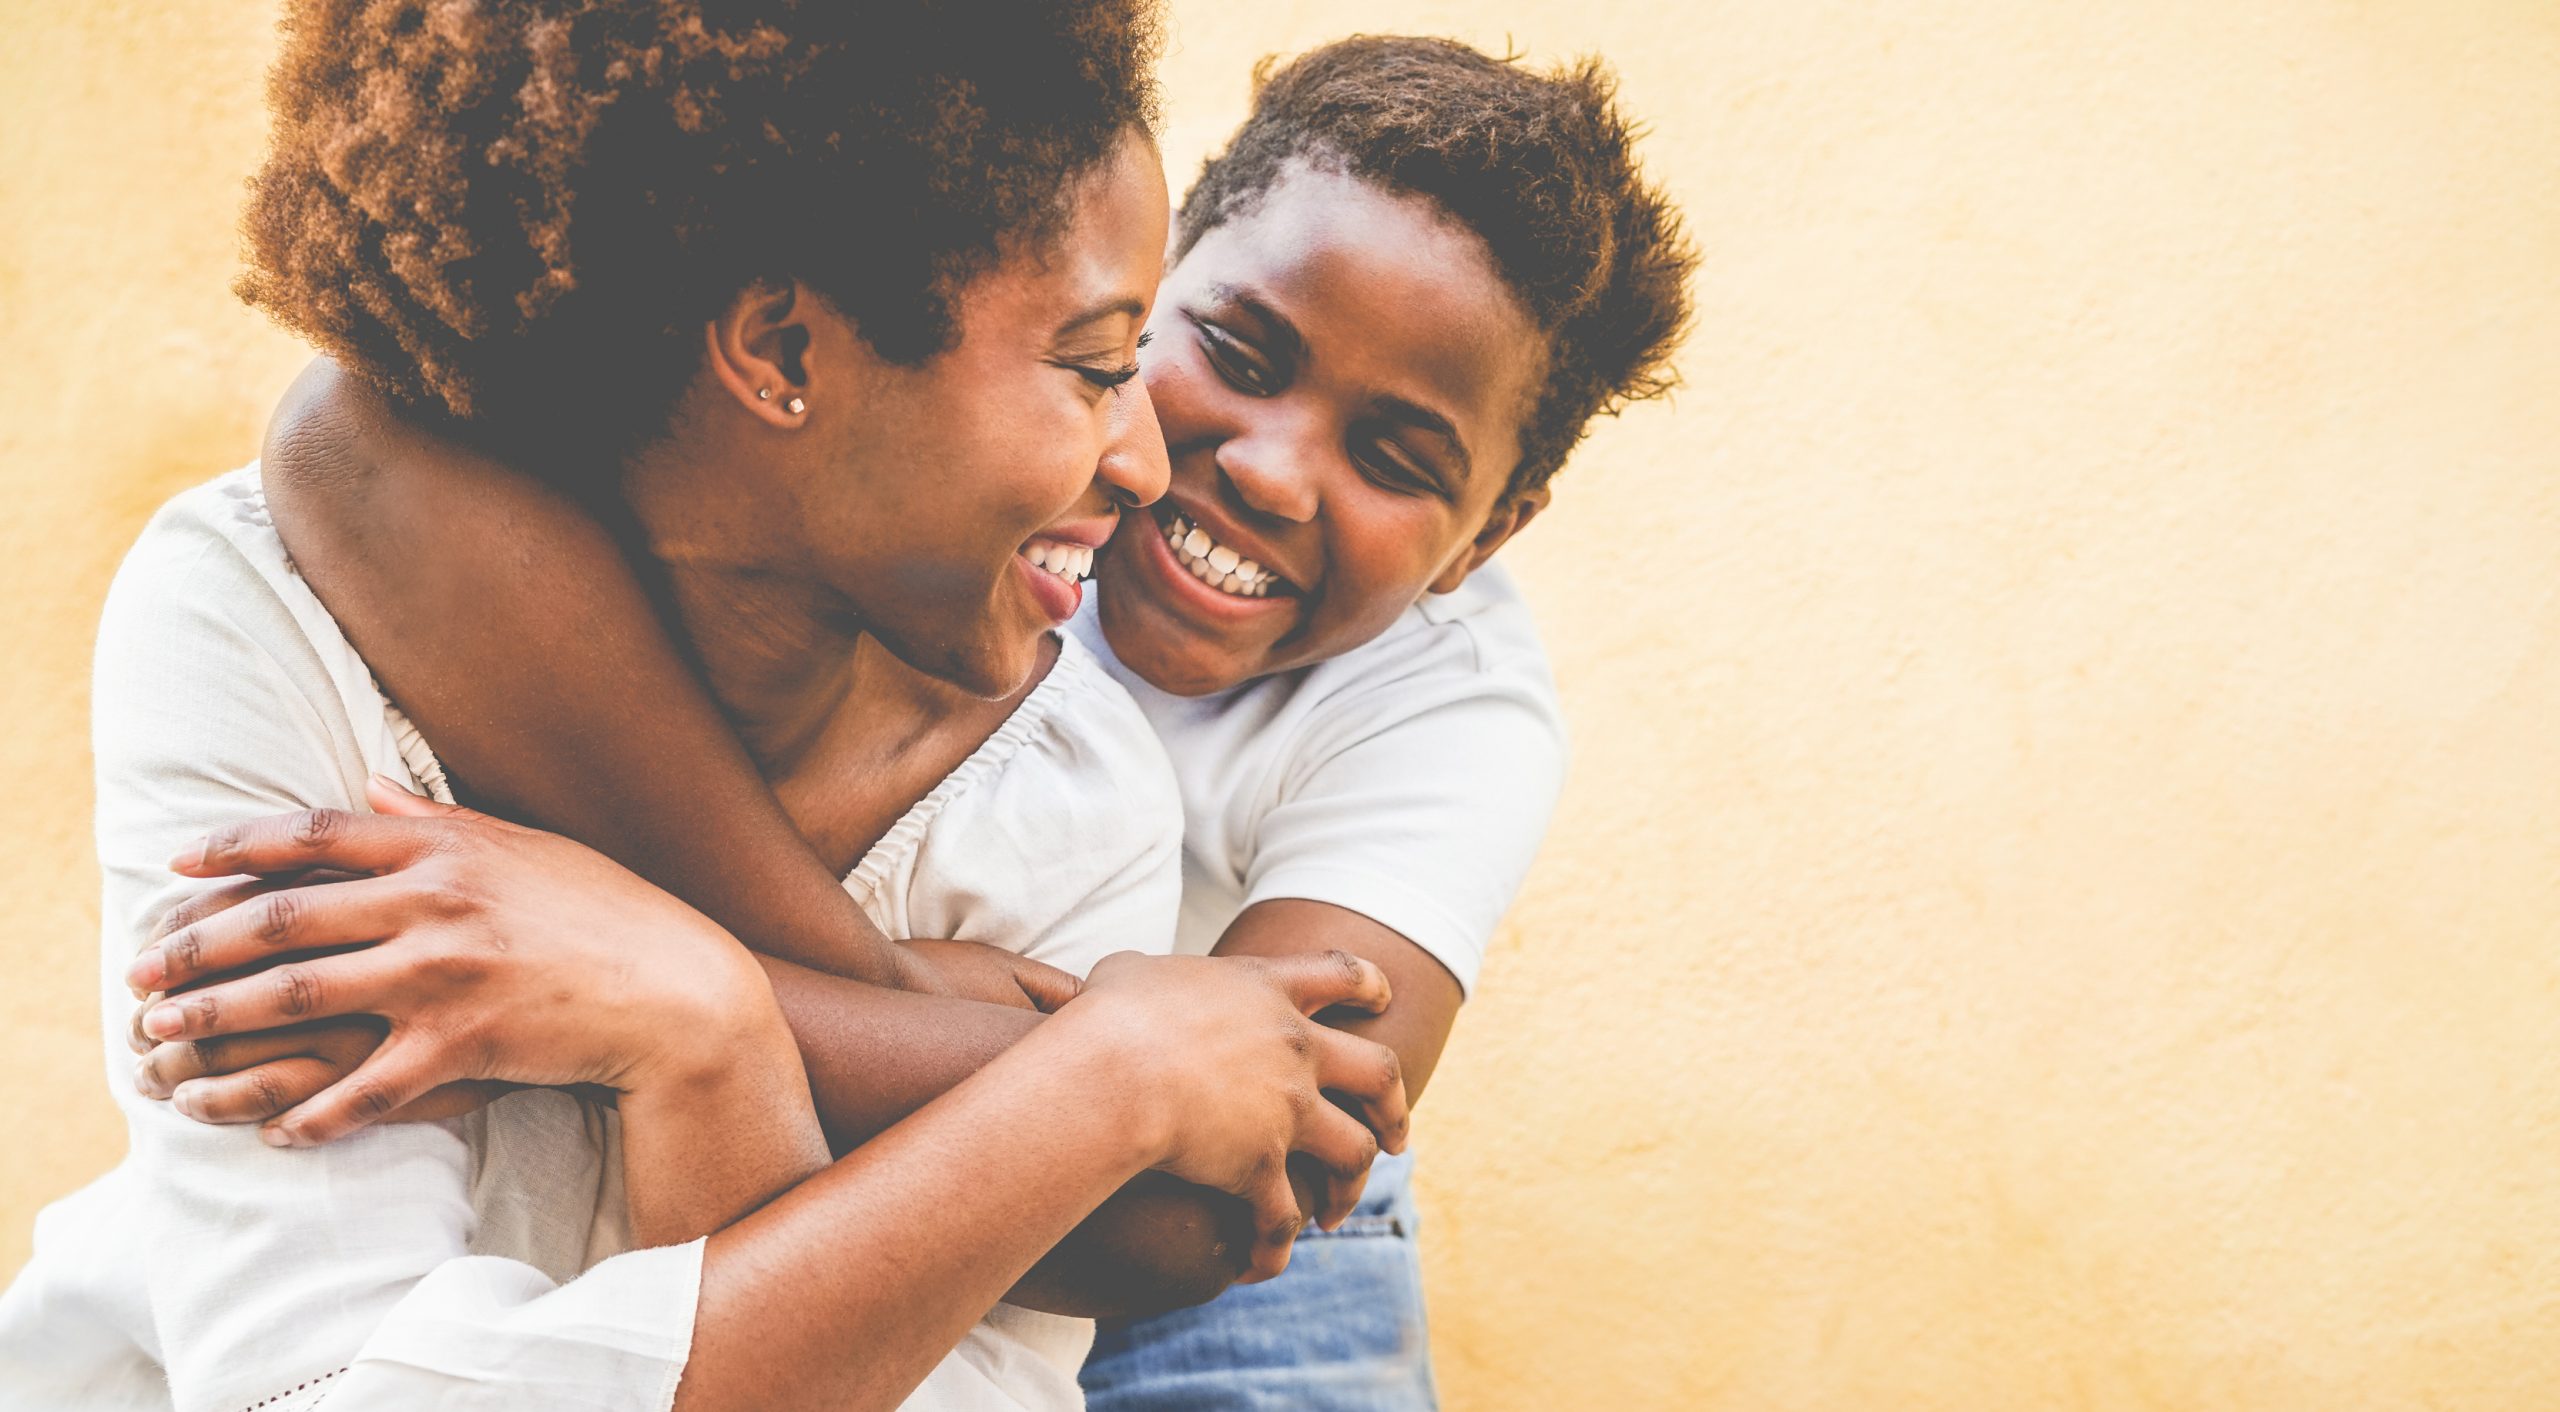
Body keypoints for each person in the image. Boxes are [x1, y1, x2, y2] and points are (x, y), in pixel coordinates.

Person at [147, 33, 1699, 1409]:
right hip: (1060, 1079)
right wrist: (935, 1017)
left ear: (1491, 535)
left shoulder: (1427, 713)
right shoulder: (917, 357)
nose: (1261, 469)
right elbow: (350, 445)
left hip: (1217, 1221)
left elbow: (1241, 1177)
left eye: (1400, 456)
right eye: (1216, 353)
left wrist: (714, 995)